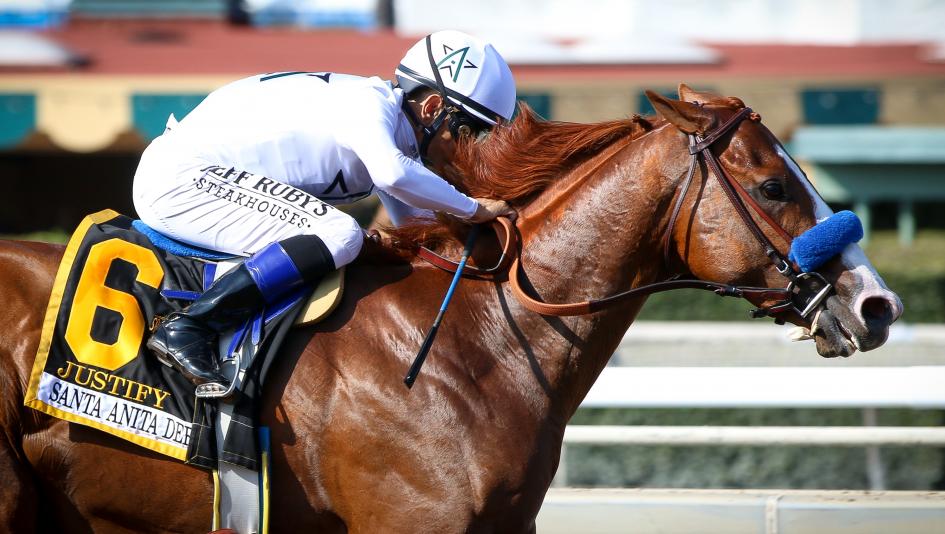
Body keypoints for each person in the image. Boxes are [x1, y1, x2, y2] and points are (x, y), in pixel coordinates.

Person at [132, 30, 517, 394]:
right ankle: (191, 326)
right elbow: (394, 173)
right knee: (341, 233)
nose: (471, 154)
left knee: (348, 238)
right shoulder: (370, 106)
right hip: (182, 179)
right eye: (471, 134)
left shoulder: (395, 139)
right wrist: (472, 208)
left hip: (199, 177)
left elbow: (419, 229)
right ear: (433, 108)